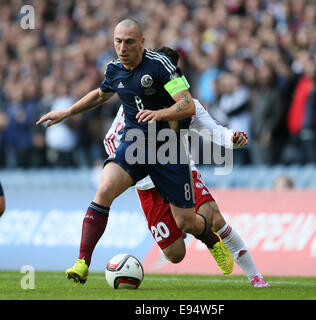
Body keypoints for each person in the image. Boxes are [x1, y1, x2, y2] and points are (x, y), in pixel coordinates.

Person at [36, 19, 233, 284]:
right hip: (135, 146)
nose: (122, 47)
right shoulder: (114, 69)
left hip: (167, 150)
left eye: (129, 41)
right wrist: (68, 112)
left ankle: (211, 240)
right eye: (118, 41)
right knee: (105, 189)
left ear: (142, 42)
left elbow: (186, 105)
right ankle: (82, 262)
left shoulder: (161, 66)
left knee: (187, 223)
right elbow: (100, 94)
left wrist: (158, 113)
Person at [103, 46, 269, 288]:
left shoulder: (189, 106)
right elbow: (111, 139)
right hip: (147, 183)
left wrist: (233, 137)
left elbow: (217, 132)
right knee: (175, 253)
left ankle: (255, 277)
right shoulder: (134, 102)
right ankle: (190, 229)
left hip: (178, 169)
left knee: (213, 216)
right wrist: (127, 166)